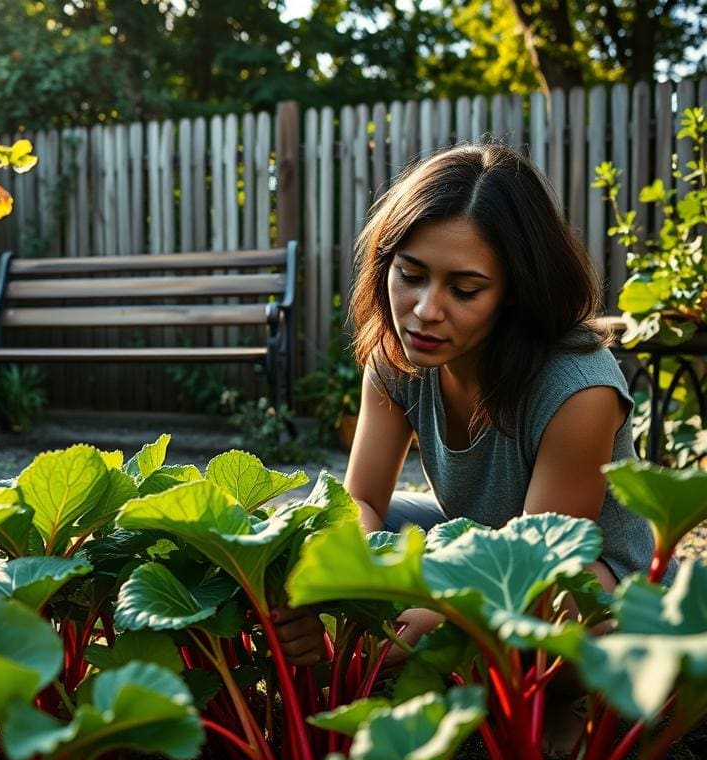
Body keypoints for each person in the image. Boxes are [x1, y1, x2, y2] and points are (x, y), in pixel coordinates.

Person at [274, 141, 673, 684]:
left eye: (464, 289)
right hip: (476, 542)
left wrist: (443, 609)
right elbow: (363, 500)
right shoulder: (397, 359)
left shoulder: (578, 391)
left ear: (514, 293)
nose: (425, 311)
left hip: (591, 577)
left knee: (545, 615)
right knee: (318, 537)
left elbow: (541, 562)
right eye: (410, 275)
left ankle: (565, 698)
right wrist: (334, 589)